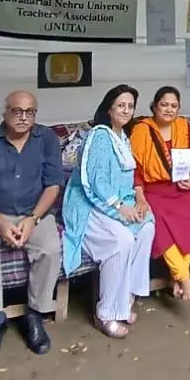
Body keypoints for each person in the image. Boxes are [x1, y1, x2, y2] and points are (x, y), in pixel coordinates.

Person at [0, 91, 64, 362]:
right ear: (4, 112)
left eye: (29, 112)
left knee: (50, 249)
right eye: (17, 111)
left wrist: (33, 219)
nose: (23, 117)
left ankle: (35, 316)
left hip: (35, 213)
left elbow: (53, 184)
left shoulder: (46, 139)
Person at [61, 85, 156, 339]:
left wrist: (138, 201)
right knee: (121, 240)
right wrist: (119, 208)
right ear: (109, 108)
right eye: (121, 105)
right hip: (89, 205)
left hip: (116, 203)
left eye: (130, 106)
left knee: (146, 225)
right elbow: (95, 182)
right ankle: (106, 313)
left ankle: (126, 300)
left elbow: (128, 179)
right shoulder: (100, 135)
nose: (126, 110)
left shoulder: (123, 136)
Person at [129, 86, 190, 300]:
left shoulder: (184, 127)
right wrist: (140, 195)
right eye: (164, 104)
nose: (169, 109)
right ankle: (184, 277)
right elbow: (133, 167)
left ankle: (176, 276)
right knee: (160, 228)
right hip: (154, 191)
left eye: (174, 106)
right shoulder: (141, 130)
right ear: (154, 106)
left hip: (181, 189)